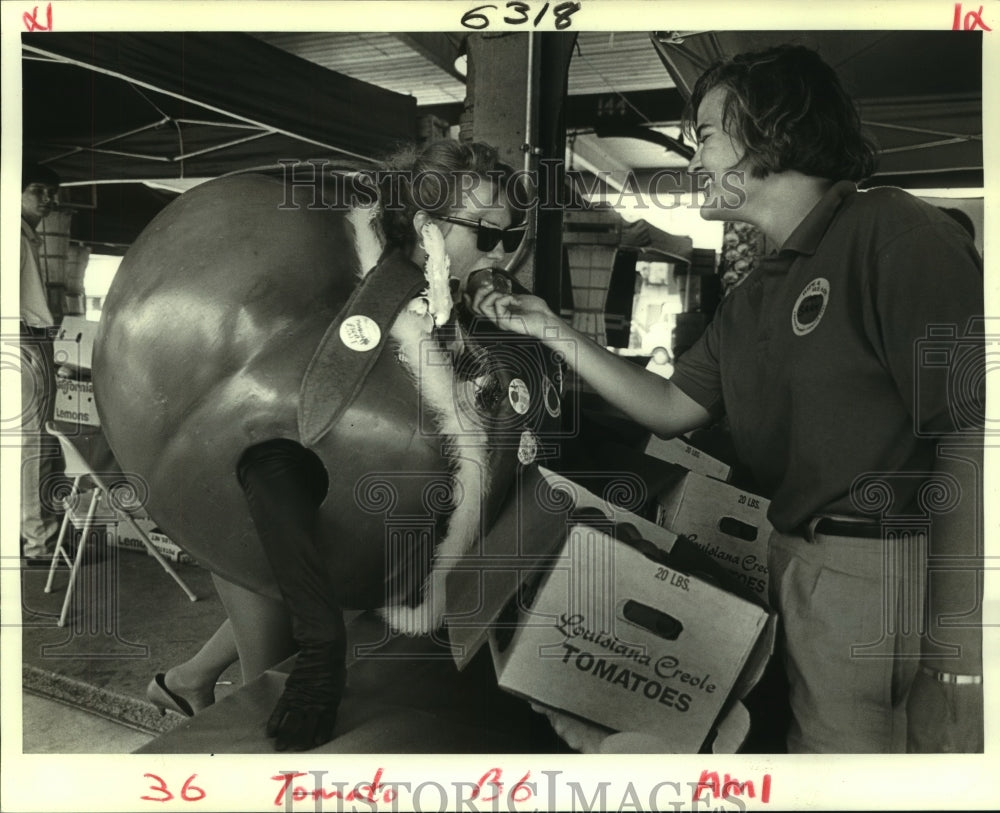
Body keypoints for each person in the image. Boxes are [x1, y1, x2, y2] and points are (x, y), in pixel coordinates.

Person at [474, 45, 984, 753]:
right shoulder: (756, 296)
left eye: (705, 135)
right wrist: (551, 330)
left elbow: (970, 436)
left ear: (769, 131)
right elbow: (672, 407)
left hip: (882, 566)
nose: (695, 159)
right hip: (794, 556)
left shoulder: (893, 233)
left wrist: (955, 661)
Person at [144, 139, 531, 749]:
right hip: (264, 514)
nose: (502, 252)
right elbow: (278, 456)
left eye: (512, 236)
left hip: (334, 522)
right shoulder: (362, 294)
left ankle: (184, 680)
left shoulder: (442, 298)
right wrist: (321, 648)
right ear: (428, 224)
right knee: (269, 703)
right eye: (486, 234)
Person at [20, 162, 64, 566]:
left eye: (53, 192)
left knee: (42, 439)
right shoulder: (13, 236)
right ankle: (39, 543)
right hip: (22, 340)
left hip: (32, 340)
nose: (49, 199)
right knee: (34, 440)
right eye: (39, 190)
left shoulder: (27, 236)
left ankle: (41, 533)